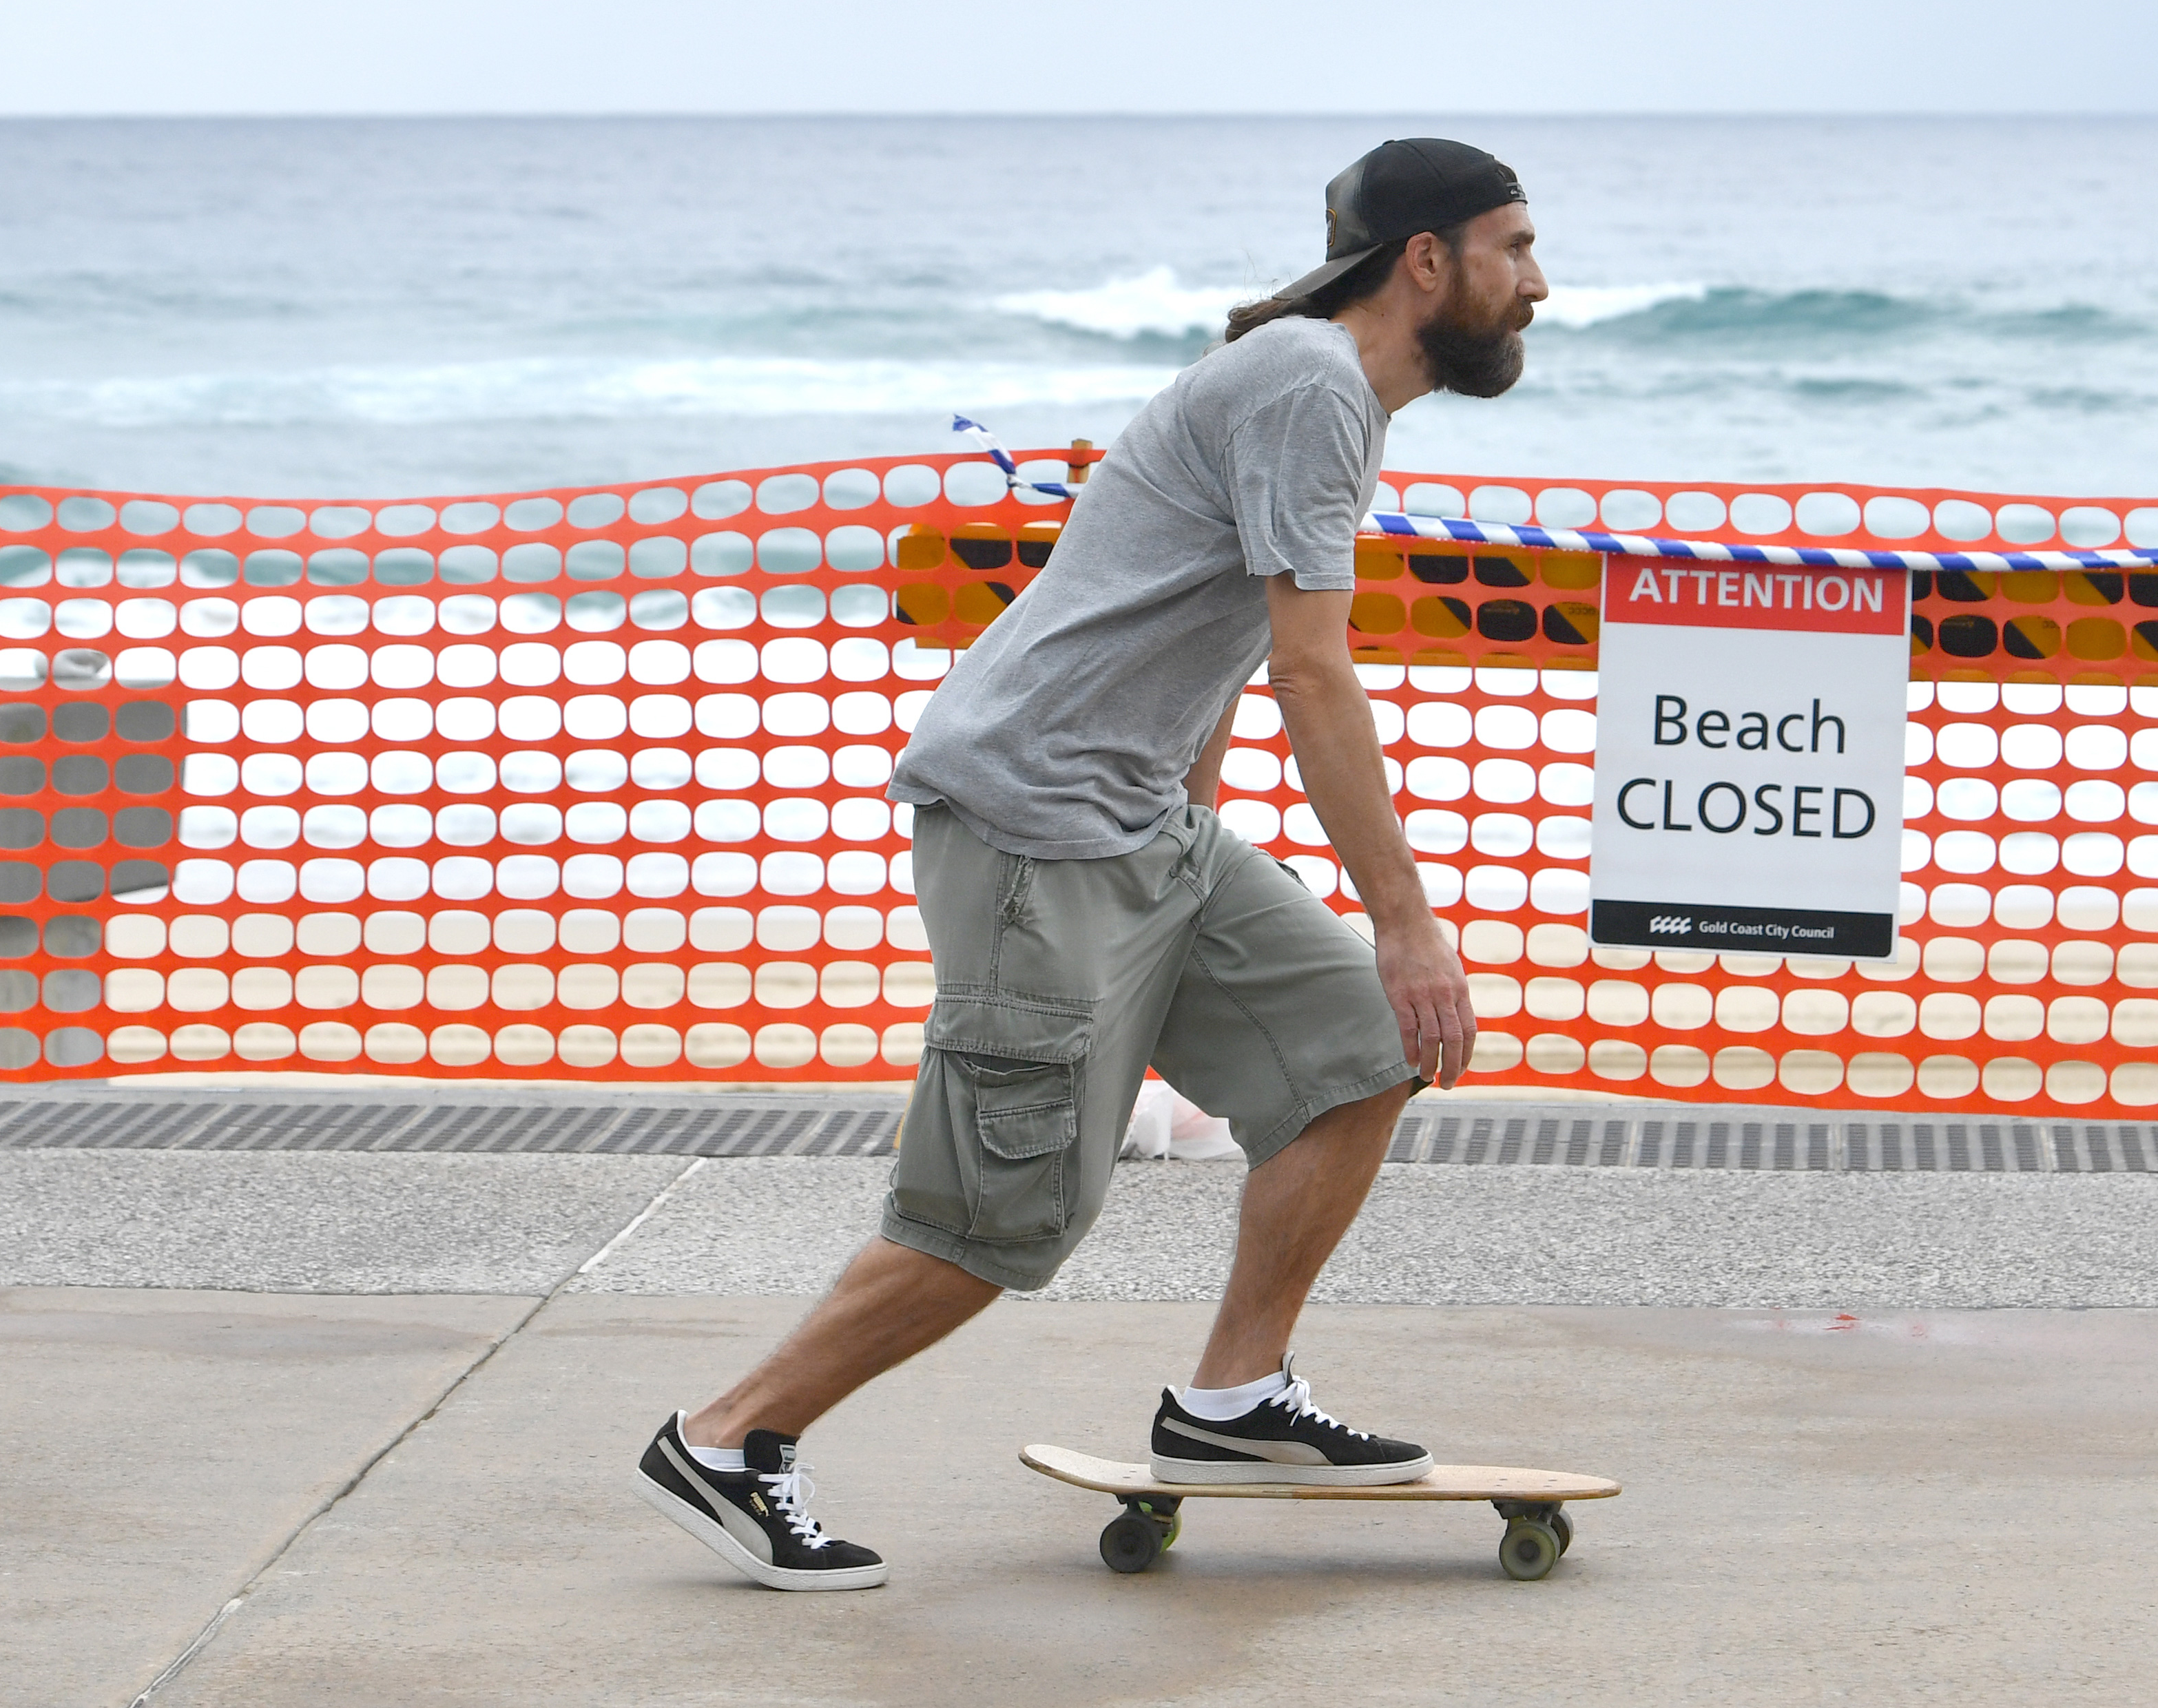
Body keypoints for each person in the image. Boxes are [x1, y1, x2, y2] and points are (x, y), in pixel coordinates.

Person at [628, 138, 1548, 1590]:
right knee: (1005, 1212)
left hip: (1136, 824)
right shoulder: (1311, 383)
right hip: (1034, 828)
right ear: (1425, 258)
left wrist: (1195, 823)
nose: (1537, 283)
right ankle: (734, 1435)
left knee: (1363, 1046)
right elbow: (1317, 668)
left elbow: (1198, 620)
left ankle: (1232, 1401)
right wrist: (1405, 917)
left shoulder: (1323, 389)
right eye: (1514, 246)